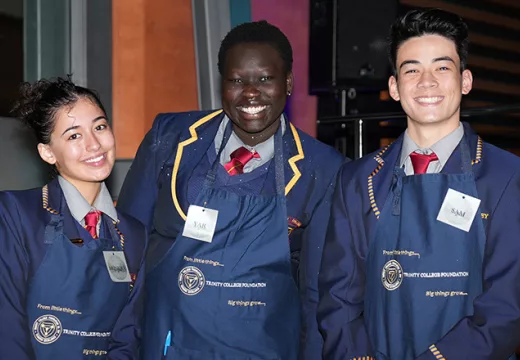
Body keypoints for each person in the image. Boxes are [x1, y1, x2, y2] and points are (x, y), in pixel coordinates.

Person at [117, 20, 345, 359]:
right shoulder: (171, 138)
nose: (250, 93)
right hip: (170, 345)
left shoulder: (321, 167)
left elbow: (316, 293)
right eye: (237, 80)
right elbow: (128, 247)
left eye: (265, 79)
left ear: (288, 82)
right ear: (222, 84)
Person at [318, 8, 520, 360]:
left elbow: (504, 309)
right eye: (412, 70)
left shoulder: (506, 176)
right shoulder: (356, 180)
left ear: (465, 80)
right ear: (395, 87)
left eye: (442, 67)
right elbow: (339, 299)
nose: (427, 82)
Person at [0, 77, 147, 359]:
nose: (94, 145)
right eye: (74, 135)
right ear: (47, 152)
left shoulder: (133, 233)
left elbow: (126, 338)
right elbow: (7, 327)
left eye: (100, 127)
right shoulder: (14, 214)